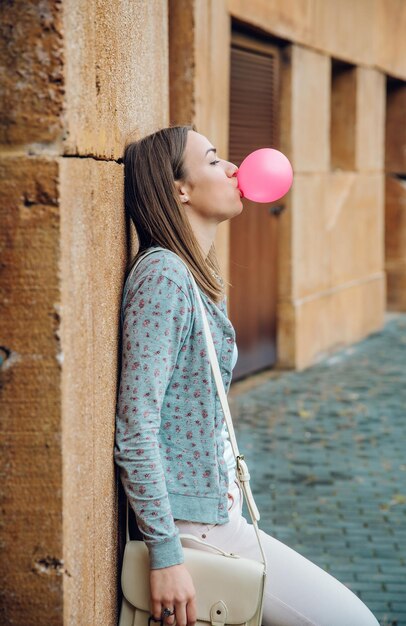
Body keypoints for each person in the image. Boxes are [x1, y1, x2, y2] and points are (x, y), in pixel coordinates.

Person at [114, 126, 379, 626]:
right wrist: (167, 554)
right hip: (194, 529)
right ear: (180, 189)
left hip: (216, 513)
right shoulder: (163, 276)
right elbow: (135, 426)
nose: (237, 169)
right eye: (214, 160)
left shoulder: (197, 276)